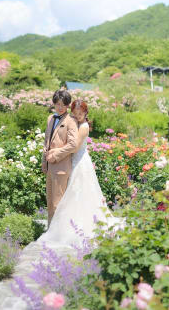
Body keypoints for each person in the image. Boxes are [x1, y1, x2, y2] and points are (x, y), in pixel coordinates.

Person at [38, 99, 125, 247]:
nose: (78, 116)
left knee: (79, 192)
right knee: (68, 194)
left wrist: (56, 151)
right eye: (75, 113)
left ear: (86, 113)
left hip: (79, 161)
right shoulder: (72, 122)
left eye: (81, 113)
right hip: (69, 161)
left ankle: (77, 225)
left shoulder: (84, 127)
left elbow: (75, 146)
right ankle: (65, 223)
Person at [42, 90, 78, 226]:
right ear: (54, 104)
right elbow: (47, 140)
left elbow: (73, 144)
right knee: (50, 203)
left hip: (61, 166)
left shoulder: (71, 121)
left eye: (63, 104)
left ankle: (60, 234)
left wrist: (56, 154)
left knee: (58, 203)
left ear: (68, 105)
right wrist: (44, 160)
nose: (60, 107)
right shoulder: (50, 118)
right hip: (49, 166)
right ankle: (51, 232)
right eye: (57, 104)